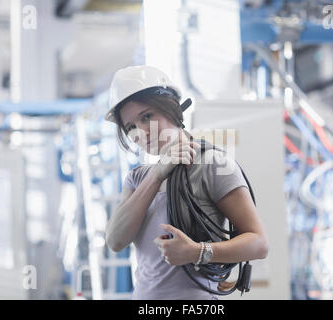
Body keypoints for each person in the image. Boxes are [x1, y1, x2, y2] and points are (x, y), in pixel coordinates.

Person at [104, 65, 268, 300]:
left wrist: (197, 252)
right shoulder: (137, 178)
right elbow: (115, 240)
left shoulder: (212, 164)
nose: (141, 131)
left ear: (171, 109)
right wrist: (157, 174)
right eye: (130, 127)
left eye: (147, 116)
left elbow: (259, 243)